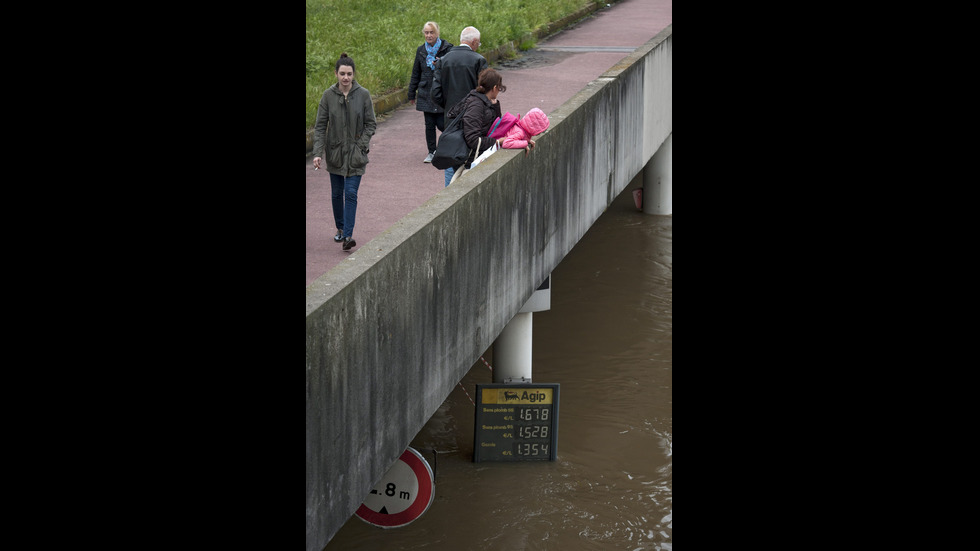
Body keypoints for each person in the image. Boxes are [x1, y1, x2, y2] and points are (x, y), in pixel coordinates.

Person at [312, 53, 377, 251]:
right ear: (336, 74)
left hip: (356, 155)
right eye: (342, 74)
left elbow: (371, 124)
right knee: (336, 194)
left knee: (350, 193)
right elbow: (321, 126)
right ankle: (340, 228)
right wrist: (317, 152)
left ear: (354, 74)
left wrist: (361, 145)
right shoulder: (328, 96)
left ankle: (348, 235)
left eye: (349, 74)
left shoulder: (363, 95)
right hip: (335, 154)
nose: (346, 78)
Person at [432, 26, 488, 186]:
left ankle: (448, 196)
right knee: (472, 157)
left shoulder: (443, 60)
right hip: (474, 119)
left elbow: (435, 93)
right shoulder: (479, 60)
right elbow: (485, 91)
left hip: (450, 120)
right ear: (475, 42)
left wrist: (449, 107)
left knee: (451, 156)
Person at [445, 67, 505, 185]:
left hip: (474, 157)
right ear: (494, 88)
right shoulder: (476, 105)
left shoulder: (484, 102)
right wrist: (497, 142)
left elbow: (497, 124)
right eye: (500, 88)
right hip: (468, 160)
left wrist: (496, 105)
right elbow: (472, 139)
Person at [408, 22, 453, 164]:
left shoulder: (448, 49)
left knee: (442, 122)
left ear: (437, 33)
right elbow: (416, 72)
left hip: (441, 92)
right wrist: (411, 93)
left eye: (431, 32)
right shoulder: (421, 50)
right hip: (425, 91)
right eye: (426, 33)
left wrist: (442, 63)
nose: (429, 35)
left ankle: (448, 146)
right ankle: (432, 152)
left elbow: (452, 68)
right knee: (429, 124)